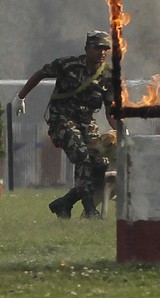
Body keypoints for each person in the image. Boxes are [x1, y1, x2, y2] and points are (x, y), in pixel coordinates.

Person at [13, 30, 117, 219]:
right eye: (97, 48)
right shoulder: (68, 65)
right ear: (87, 48)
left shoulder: (108, 76)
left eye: (105, 49)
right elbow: (41, 73)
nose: (101, 52)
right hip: (61, 119)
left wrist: (119, 127)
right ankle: (90, 211)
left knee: (100, 164)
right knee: (82, 156)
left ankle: (65, 203)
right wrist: (21, 97)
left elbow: (110, 110)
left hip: (87, 122)